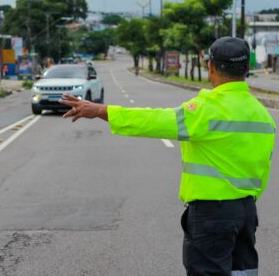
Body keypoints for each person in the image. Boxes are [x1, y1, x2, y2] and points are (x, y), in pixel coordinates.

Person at [59, 37, 276, 275]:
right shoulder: (263, 115)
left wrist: (101, 110)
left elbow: (155, 121)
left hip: (212, 215)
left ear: (211, 67)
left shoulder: (206, 109)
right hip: (246, 214)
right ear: (247, 68)